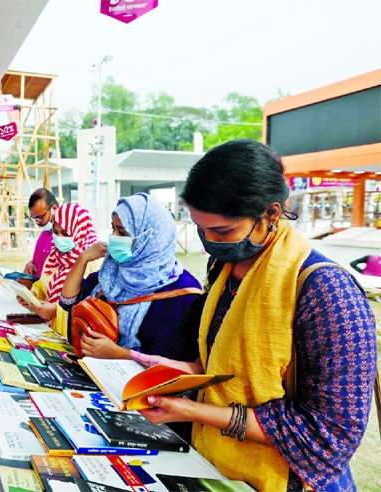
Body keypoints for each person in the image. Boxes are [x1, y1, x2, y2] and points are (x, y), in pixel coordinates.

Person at [130, 139, 377, 491]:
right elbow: (227, 365)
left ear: (271, 214)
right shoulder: (223, 267)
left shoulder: (327, 292)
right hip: (216, 467)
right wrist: (182, 372)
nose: (208, 243)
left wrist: (192, 411)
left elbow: (328, 437)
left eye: (221, 231)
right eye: (201, 230)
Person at [59, 193, 202, 362]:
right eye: (113, 229)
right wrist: (82, 258)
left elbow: (176, 365)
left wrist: (119, 354)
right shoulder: (112, 271)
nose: (114, 237)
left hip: (136, 386)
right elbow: (68, 301)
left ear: (150, 237)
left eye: (122, 232)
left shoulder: (182, 292)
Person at [19, 203, 99, 336]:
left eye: (66, 233)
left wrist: (57, 310)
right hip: (49, 332)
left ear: (80, 232)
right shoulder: (55, 256)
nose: (59, 238)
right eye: (56, 232)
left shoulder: (93, 262)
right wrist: (32, 296)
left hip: (74, 339)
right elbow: (42, 285)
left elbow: (90, 308)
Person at [23, 188, 59, 278]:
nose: (37, 222)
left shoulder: (63, 236)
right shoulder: (45, 232)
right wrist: (30, 264)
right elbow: (42, 258)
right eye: (34, 218)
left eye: (40, 217)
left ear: (54, 208)